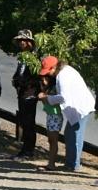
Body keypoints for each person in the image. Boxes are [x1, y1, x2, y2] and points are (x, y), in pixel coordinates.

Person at [37, 56, 96, 171]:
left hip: (80, 108)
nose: (49, 74)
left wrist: (47, 98)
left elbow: (64, 97)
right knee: (70, 134)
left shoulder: (63, 76)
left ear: (54, 67)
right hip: (77, 107)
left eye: (49, 71)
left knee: (75, 135)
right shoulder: (64, 71)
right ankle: (71, 164)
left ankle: (73, 165)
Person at [12, 29, 40, 160]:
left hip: (30, 93)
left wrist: (30, 87)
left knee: (29, 122)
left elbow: (36, 76)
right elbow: (19, 73)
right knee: (23, 120)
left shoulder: (34, 58)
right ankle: (24, 150)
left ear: (29, 42)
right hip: (22, 92)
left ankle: (29, 151)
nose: (21, 43)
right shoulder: (22, 57)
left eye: (24, 40)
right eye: (20, 41)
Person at [37, 74, 62, 171]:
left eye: (45, 78)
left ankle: (51, 164)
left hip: (55, 116)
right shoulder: (47, 89)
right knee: (51, 141)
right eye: (42, 79)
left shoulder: (54, 89)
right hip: (50, 115)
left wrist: (43, 96)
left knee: (53, 140)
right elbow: (45, 102)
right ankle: (50, 163)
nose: (43, 80)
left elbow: (51, 101)